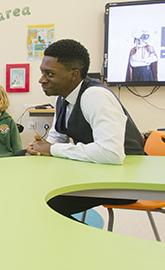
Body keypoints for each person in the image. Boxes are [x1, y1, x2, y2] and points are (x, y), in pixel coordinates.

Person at [27, 39, 145, 218]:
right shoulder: (63, 97)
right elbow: (57, 136)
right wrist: (39, 148)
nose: (41, 80)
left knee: (45, 203)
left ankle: (82, 245)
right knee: (30, 181)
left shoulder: (95, 96)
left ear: (73, 75)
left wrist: (51, 149)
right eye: (42, 72)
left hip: (124, 181)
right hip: (96, 170)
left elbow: (111, 153)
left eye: (50, 74)